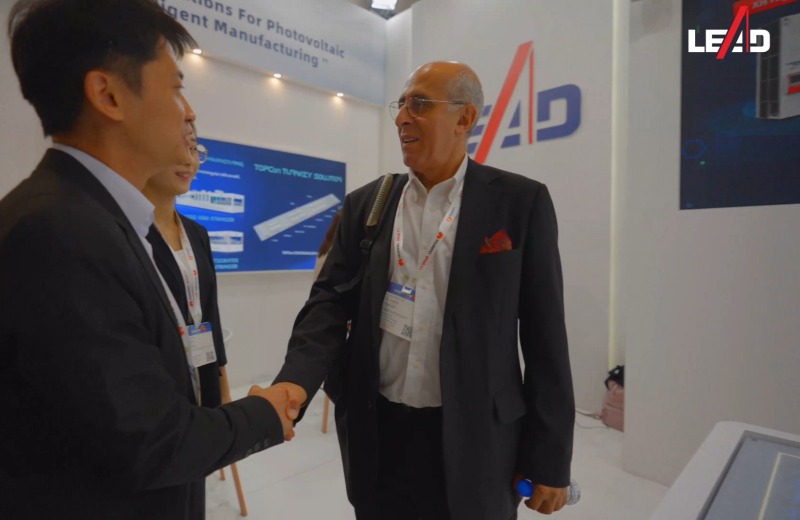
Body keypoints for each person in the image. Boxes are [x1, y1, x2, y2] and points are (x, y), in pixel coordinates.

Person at [0, 1, 295, 518]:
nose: (188, 111)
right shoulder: (59, 232)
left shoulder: (98, 219)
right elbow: (149, 440)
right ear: (108, 95)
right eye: (176, 87)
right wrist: (264, 415)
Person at [272, 61, 575, 520]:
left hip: (477, 438)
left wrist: (551, 457)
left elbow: (545, 335)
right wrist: (295, 379)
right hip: (379, 433)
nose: (401, 118)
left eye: (419, 104)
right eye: (401, 105)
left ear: (464, 118)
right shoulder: (367, 205)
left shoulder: (519, 202)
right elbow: (328, 304)